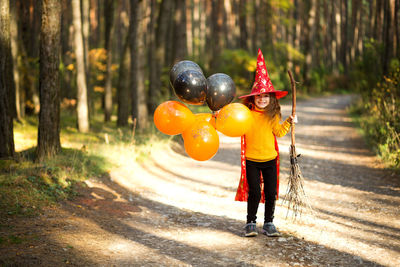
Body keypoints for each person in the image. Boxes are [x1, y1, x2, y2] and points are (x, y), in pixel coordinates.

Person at [235, 49, 296, 237]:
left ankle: (269, 222)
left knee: (270, 192)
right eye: (259, 96)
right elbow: (234, 125)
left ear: (272, 98)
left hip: (270, 159)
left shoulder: (272, 114)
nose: (262, 99)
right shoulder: (246, 114)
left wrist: (288, 121)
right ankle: (250, 222)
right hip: (252, 159)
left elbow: (278, 132)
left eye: (266, 96)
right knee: (254, 191)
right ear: (253, 97)